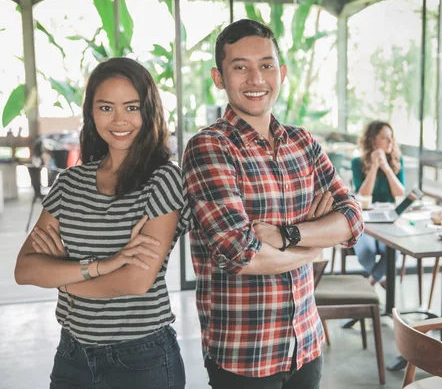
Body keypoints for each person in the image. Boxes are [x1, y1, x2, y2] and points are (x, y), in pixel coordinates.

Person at [182, 19, 363, 389]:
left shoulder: (304, 143)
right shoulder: (209, 147)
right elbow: (241, 254)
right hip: (244, 354)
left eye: (265, 65)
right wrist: (315, 246)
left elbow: (353, 218)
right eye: (240, 67)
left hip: (306, 343)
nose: (256, 79)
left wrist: (286, 235)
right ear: (219, 78)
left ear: (281, 73)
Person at [14, 58, 190, 389]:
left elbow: (136, 281)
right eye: (106, 107)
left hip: (141, 357)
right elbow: (25, 270)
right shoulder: (69, 183)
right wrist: (103, 265)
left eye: (132, 107)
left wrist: (63, 277)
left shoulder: (164, 178)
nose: (119, 119)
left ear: (148, 111)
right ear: (91, 113)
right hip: (72, 354)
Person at [351, 120, 405, 287]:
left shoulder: (397, 161)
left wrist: (386, 167)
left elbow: (400, 193)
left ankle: (371, 282)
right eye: (384, 138)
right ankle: (380, 278)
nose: (390, 142)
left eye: (391, 138)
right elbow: (363, 195)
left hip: (387, 218)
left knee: (392, 251)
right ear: (373, 140)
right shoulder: (357, 163)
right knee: (366, 252)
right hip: (364, 217)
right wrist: (374, 166)